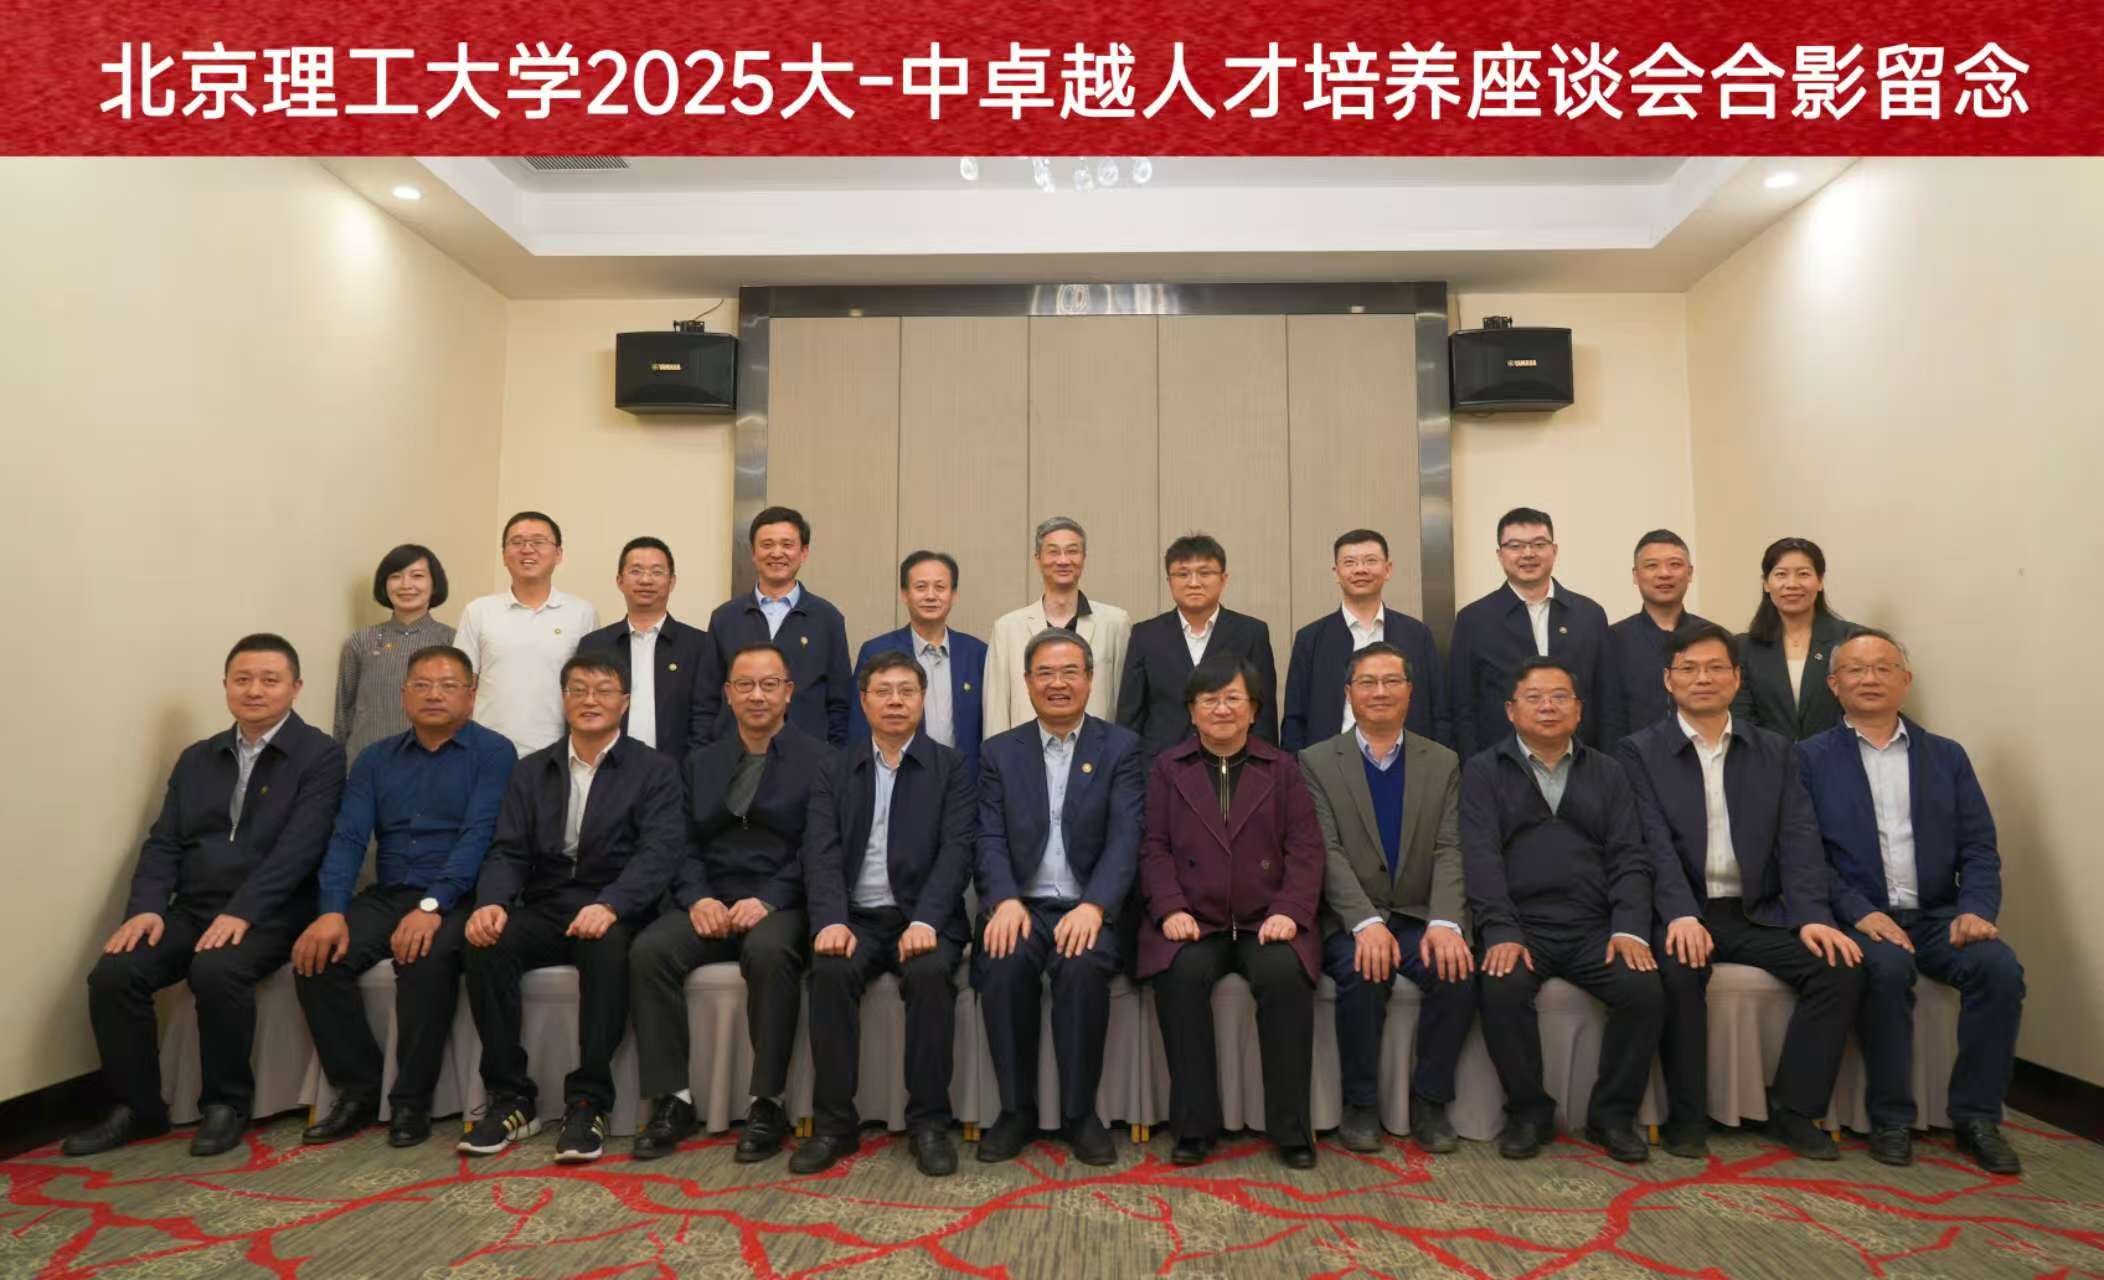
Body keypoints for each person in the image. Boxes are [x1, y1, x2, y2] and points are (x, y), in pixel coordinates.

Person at [66, 635, 346, 1158]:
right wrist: (147, 909)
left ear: (296, 687)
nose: (254, 690)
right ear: (225, 686)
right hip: (195, 906)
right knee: (115, 973)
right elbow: (164, 842)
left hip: (275, 911)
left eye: (270, 680)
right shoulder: (197, 758)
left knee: (216, 969)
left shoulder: (321, 755)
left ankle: (226, 1104)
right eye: (242, 680)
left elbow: (301, 849)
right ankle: (137, 1109)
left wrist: (244, 911)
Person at [1617, 623, 1864, 1162]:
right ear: (1668, 680)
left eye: (1715, 668)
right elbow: (1650, 843)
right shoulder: (1638, 752)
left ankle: (1795, 1110)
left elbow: (1799, 837)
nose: (1702, 679)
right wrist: (1680, 914)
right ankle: (1687, 1116)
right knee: (1679, 972)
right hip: (1682, 911)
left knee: (1838, 967)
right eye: (1688, 669)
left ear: (1735, 678)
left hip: (1757, 912)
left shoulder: (1774, 750)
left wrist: (1813, 916)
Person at [1797, 628, 2025, 1175]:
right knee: (1887, 969)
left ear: (1906, 680)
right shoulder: (1807, 759)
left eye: (1883, 668)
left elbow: (1979, 846)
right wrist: (1859, 912)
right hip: (1861, 917)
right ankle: (1891, 1117)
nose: (1870, 679)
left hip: (1939, 914)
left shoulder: (1946, 756)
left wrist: (1976, 909)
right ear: (1834, 684)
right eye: (1856, 669)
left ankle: (1976, 1117)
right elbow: (1804, 856)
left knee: (1999, 970)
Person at [457, 654, 686, 1162]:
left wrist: (612, 904)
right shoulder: (532, 769)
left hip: (616, 905)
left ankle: (589, 1102)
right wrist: (492, 902)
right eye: (578, 689)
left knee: (607, 949)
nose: (590, 700)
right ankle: (511, 1097)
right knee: (485, 944)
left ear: (624, 703)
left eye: (603, 690)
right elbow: (508, 850)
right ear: (563, 700)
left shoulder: (654, 770)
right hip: (548, 902)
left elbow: (659, 853)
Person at [293, 645, 516, 1148]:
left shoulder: (494, 753)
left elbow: (479, 836)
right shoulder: (375, 758)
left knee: (424, 959)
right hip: (389, 892)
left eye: (448, 685)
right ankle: (358, 1089)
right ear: (403, 694)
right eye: (422, 685)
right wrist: (331, 912)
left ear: (471, 696)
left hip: (459, 896)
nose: (434, 694)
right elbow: (348, 838)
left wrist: (432, 906)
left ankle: (411, 1101)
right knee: (317, 959)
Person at [628, 642, 830, 1163]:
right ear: (728, 694)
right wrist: (698, 898)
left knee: (768, 952)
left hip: (783, 902)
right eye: (745, 685)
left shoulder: (821, 761)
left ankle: (767, 1102)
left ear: (789, 692)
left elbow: (819, 848)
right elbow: (679, 842)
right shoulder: (701, 762)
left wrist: (770, 899)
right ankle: (673, 1099)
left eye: (769, 685)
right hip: (711, 898)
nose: (757, 695)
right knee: (650, 950)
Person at [1463, 657, 1662, 1163]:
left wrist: (1629, 928)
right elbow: (1481, 859)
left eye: (1559, 697)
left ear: (1578, 709)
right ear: (1511, 710)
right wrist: (1500, 929)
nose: (1547, 707)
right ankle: (1528, 1112)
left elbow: (1630, 857)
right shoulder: (1484, 771)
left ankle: (1612, 1115)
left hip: (1595, 927)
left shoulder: (1609, 772)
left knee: (1642, 989)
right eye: (1534, 697)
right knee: (1500, 987)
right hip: (1521, 926)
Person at [792, 650, 976, 1177]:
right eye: (883, 691)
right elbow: (820, 851)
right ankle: (834, 1125)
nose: (895, 701)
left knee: (931, 974)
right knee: (829, 972)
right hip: (854, 917)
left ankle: (929, 1124)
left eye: (906, 691)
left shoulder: (952, 768)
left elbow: (957, 852)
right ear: (864, 700)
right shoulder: (834, 767)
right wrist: (831, 919)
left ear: (923, 699)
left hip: (925, 918)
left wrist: (927, 921)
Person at [1138, 656, 1324, 1169]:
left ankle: (1291, 1130)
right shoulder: (1167, 769)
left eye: (1233, 699)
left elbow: (1306, 849)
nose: (1221, 709)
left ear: (1254, 710)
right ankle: (1194, 1128)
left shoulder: (1283, 769)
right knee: (1179, 975)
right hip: (1195, 920)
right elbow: (1153, 848)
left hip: (1267, 918)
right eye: (1209, 700)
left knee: (1285, 976)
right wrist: (1170, 908)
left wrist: (1289, 910)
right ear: (1191, 711)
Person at [973, 630, 1145, 1166]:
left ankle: (1079, 1114)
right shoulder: (999, 752)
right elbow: (988, 836)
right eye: (1045, 673)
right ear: (1027, 682)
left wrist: (1095, 906)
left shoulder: (1120, 748)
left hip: (1087, 905)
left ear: (1090, 680)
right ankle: (1015, 1110)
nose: (1058, 683)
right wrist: (1003, 900)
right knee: (1002, 960)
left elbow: (1126, 838)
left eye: (1070, 672)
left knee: (1081, 965)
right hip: (1020, 905)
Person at [1300, 642, 1474, 1154]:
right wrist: (1363, 923)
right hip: (1349, 918)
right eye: (1368, 682)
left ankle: (1431, 1101)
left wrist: (1446, 921)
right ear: (1348, 693)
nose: (1380, 692)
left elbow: (1449, 848)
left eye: (1391, 681)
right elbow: (1325, 851)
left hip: (1418, 914)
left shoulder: (1442, 761)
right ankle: (1361, 1103)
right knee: (1363, 970)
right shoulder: (1315, 761)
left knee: (1457, 969)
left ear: (1410, 692)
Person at [1450, 508, 1623, 760]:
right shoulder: (1474, 620)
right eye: (1515, 546)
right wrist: (1473, 769)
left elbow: (1608, 703)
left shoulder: (1589, 615)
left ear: (1554, 550)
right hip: (1501, 765)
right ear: (1500, 555)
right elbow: (1462, 708)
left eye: (1539, 544)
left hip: (1580, 763)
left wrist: (1607, 766)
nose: (1528, 554)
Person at [692, 506, 852, 748]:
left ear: (804, 552)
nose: (777, 553)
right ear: (753, 553)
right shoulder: (725, 617)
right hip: (734, 755)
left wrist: (833, 757)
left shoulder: (828, 618)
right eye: (767, 545)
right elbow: (706, 700)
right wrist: (703, 755)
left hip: (807, 757)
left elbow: (839, 703)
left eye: (787, 545)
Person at [1282, 528, 1448, 751]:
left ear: (1388, 569)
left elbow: (1439, 713)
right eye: (1350, 562)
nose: (1360, 569)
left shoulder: (1417, 635)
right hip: (1329, 764)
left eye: (1370, 561)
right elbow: (1295, 719)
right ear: (1336, 572)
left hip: (1408, 760)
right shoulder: (1310, 638)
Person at [1117, 533, 1278, 760]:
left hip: (1234, 763)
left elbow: (1264, 713)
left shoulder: (1251, 633)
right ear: (1169, 581)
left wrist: (1262, 768)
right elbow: (1130, 715)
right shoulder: (1145, 635)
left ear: (1223, 579)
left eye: (1205, 573)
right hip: (1161, 766)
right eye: (1183, 574)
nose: (1193, 583)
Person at [454, 511, 598, 753]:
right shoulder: (478, 611)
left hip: (558, 750)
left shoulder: (582, 613)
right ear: (504, 555)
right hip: (488, 750)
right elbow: (463, 686)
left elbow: (590, 688)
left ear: (558, 554)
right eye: (517, 542)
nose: (527, 549)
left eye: (539, 541)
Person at [983, 516, 1133, 738]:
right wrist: (997, 755)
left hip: (1098, 750)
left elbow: (1126, 702)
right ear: (1038, 559)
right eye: (1053, 552)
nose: (1063, 560)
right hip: (1025, 751)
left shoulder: (1115, 623)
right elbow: (996, 709)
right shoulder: (1007, 628)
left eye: (1072, 551)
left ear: (1084, 558)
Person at [850, 550, 987, 777]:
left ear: (954, 595)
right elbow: (859, 727)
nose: (931, 596)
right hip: (895, 777)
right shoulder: (876, 651)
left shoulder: (976, 653)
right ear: (905, 594)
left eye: (940, 587)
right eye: (921, 587)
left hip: (962, 781)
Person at [576, 536, 715, 760]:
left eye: (657, 572)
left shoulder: (699, 645)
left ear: (672, 582)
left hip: (677, 772)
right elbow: (580, 712)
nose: (646, 580)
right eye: (636, 571)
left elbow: (705, 717)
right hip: (607, 770)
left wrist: (691, 770)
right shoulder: (595, 645)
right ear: (620, 581)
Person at [333, 543, 455, 765]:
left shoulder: (452, 641)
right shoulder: (361, 640)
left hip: (432, 764)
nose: (406, 585)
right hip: (364, 763)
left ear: (434, 583)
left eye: (417, 576)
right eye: (396, 576)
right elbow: (344, 712)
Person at [1731, 536, 1848, 740]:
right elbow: (1741, 718)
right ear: (1766, 584)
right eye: (1781, 574)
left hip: (1835, 754)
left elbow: (1859, 710)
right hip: (1766, 756)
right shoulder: (1743, 647)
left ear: (1820, 581)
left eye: (1803, 574)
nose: (1792, 584)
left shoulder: (1849, 640)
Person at [1607, 530, 1709, 738]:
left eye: (1675, 564)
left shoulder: (1711, 638)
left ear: (1690, 573)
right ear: (1636, 575)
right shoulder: (1611, 640)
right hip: (1631, 755)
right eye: (1652, 565)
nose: (1664, 573)